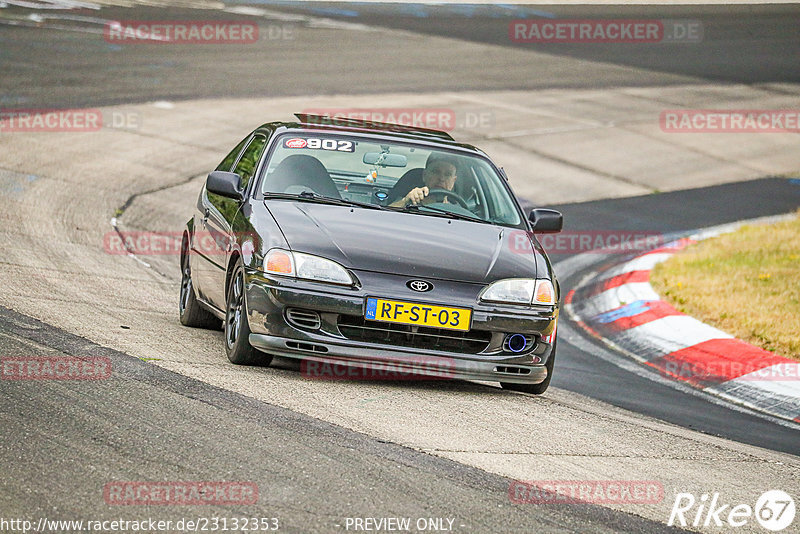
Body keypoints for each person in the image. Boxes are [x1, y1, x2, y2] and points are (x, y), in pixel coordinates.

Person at [389, 155, 458, 208]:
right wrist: (405, 201)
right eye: (436, 172)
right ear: (424, 175)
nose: (442, 178)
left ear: (453, 181)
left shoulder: (458, 212)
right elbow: (385, 216)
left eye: (448, 174)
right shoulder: (410, 201)